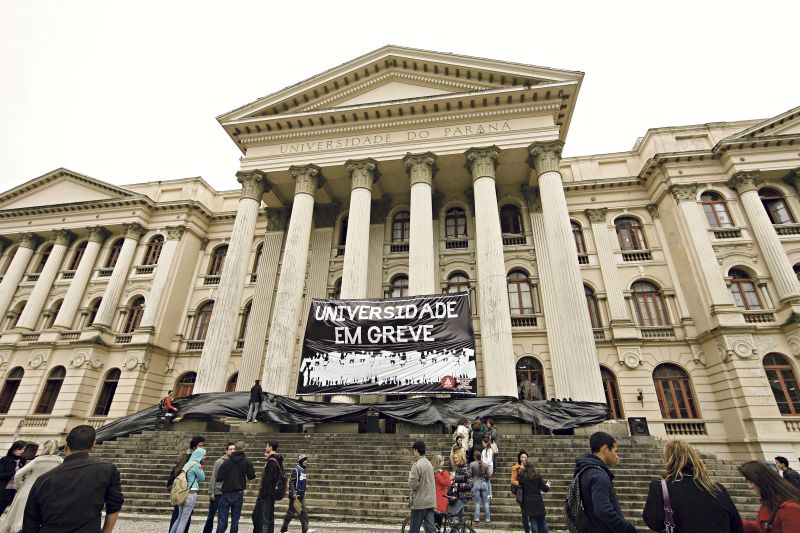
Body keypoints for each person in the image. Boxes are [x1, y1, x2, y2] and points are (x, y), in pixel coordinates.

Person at [22, 425, 123, 533]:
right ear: (93, 445)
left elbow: (30, 521)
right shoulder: (107, 469)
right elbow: (114, 506)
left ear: (66, 446)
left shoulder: (43, 479)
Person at [642, 439, 742, 533]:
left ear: (669, 459)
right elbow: (736, 526)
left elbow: (653, 521)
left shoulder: (660, 487)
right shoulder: (717, 489)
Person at [572, 431, 637, 533]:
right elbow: (603, 510)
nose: (617, 456)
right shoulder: (598, 475)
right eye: (616, 451)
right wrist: (626, 528)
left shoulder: (585, 471)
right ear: (605, 449)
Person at [0, 440, 61, 533]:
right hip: (45, 494)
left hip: (26, 491)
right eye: (20, 449)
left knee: (19, 519)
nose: (22, 451)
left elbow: (18, 475)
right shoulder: (60, 462)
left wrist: (19, 487)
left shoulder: (36, 461)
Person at [739, 460, 800, 532]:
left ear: (762, 481)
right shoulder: (768, 504)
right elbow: (761, 527)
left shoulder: (789, 508)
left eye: (751, 482)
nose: (749, 486)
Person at [216, 441, 256, 533]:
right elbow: (251, 476)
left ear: (235, 449)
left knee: (222, 520)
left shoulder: (226, 462)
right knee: (235, 521)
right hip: (238, 494)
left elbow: (219, 478)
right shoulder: (247, 462)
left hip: (226, 493)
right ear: (244, 449)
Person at [168, 435, 205, 533]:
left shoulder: (188, 461)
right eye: (200, 446)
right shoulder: (192, 460)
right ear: (194, 446)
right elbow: (202, 478)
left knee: (179, 519)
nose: (201, 448)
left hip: (182, 490)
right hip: (188, 492)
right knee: (183, 520)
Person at [203, 442, 235, 533]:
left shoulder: (235, 462)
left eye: (234, 449)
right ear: (226, 450)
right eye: (230, 449)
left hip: (227, 493)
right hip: (217, 492)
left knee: (223, 517)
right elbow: (214, 476)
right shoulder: (219, 461)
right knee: (211, 516)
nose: (232, 451)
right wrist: (211, 492)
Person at [280, 454, 315, 533]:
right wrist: (294, 492)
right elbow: (292, 482)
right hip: (295, 496)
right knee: (291, 513)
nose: (306, 461)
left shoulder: (303, 470)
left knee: (303, 512)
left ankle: (305, 529)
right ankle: (284, 529)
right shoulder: (296, 470)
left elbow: (302, 482)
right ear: (301, 460)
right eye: (305, 460)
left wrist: (304, 490)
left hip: (301, 495)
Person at [408, 440, 436, 533]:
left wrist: (409, 478)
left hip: (420, 503)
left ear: (416, 450)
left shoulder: (417, 465)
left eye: (414, 450)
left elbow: (414, 485)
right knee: (431, 530)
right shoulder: (429, 464)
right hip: (430, 501)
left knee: (414, 530)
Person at [518, 455, 551, 533]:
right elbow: (544, 489)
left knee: (533, 521)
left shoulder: (522, 476)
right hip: (538, 500)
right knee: (542, 521)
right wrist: (547, 485)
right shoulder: (537, 475)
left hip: (528, 501)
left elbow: (520, 486)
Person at [255, 441, 283, 533]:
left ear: (270, 448)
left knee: (265, 519)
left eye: (266, 446)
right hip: (271, 494)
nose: (265, 448)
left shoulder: (272, 462)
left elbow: (268, 480)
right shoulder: (278, 460)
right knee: (267, 517)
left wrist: (263, 494)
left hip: (267, 495)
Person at [0, 441, 27, 517]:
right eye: (20, 449)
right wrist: (13, 472)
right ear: (14, 449)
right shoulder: (5, 460)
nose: (22, 451)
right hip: (2, 489)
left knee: (2, 509)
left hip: (13, 491)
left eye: (23, 449)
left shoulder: (23, 460)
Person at [448, 450, 472, 532]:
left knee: (451, 516)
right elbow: (459, 480)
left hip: (463, 496)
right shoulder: (458, 468)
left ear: (461, 457)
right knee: (461, 519)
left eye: (456, 458)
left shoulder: (466, 467)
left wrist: (458, 485)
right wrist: (453, 481)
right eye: (454, 458)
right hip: (458, 495)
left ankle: (456, 531)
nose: (455, 460)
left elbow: (470, 484)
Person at [470, 449, 491, 523]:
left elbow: (470, 475)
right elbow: (488, 475)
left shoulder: (472, 464)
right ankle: (488, 518)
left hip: (475, 483)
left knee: (477, 502)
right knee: (485, 502)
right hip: (484, 484)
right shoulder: (485, 464)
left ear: (475, 456)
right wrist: (485, 479)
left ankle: (477, 518)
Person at [511, 450, 530, 533]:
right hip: (522, 492)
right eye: (522, 457)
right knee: (524, 514)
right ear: (519, 458)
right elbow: (512, 480)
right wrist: (520, 484)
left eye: (525, 457)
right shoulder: (516, 467)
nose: (524, 458)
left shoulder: (530, 467)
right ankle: (527, 530)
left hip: (530, 492)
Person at [433, 454, 451, 529]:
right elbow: (448, 483)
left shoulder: (435, 472)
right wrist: (444, 472)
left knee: (437, 521)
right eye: (442, 461)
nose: (443, 462)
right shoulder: (438, 474)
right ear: (439, 462)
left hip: (438, 498)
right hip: (439, 499)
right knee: (438, 521)